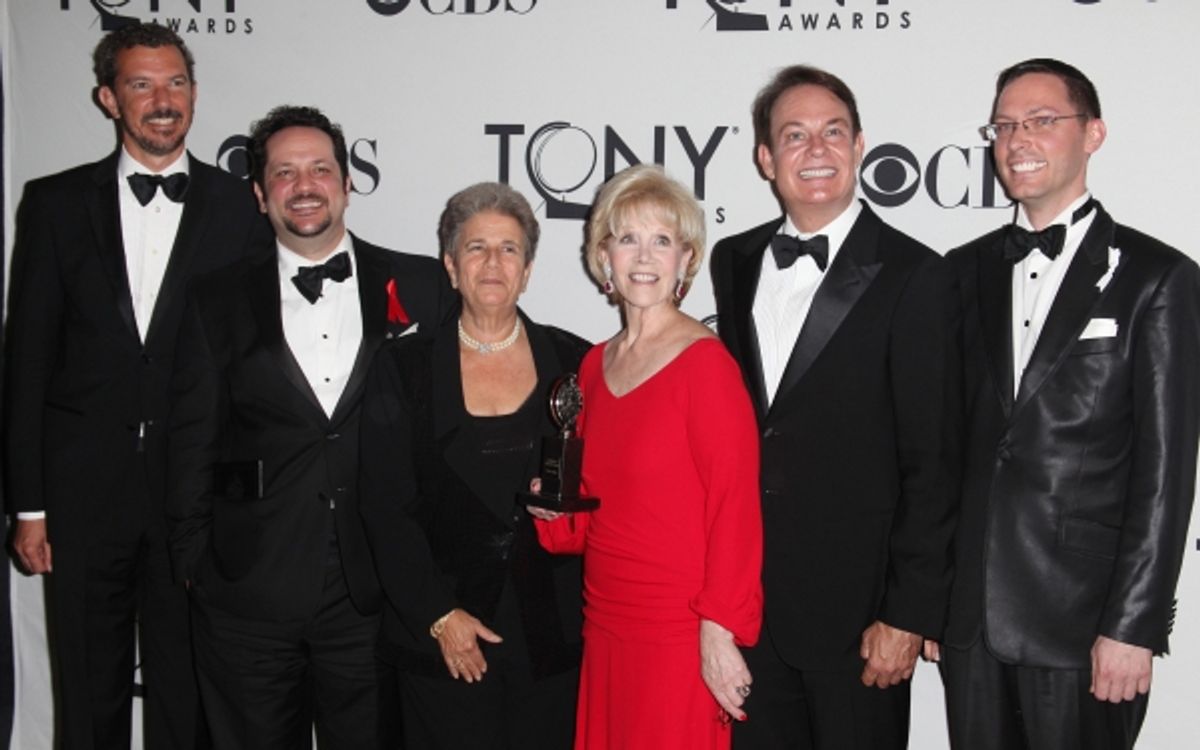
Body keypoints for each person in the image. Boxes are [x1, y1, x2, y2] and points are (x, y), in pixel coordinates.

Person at [3, 22, 267, 749]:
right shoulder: (54, 205)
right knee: (89, 690)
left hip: (195, 497)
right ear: (108, 98)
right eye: (142, 85)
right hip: (83, 493)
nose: (162, 100)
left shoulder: (240, 208)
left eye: (176, 83)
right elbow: (27, 360)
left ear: (194, 93)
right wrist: (28, 506)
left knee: (188, 692)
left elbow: (250, 371)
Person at [934, 58, 1200, 750]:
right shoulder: (961, 273)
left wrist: (1134, 626)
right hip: (970, 621)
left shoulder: (1158, 278)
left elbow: (1166, 471)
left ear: (1095, 134)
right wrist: (932, 599)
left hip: (1084, 624)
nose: (1018, 139)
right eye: (1005, 126)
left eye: (1042, 121)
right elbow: (943, 449)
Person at [165, 105, 452, 748]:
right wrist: (197, 565)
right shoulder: (213, 299)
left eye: (321, 168)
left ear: (348, 184)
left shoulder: (424, 284)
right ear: (260, 193)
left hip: (375, 593)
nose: (305, 184)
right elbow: (191, 444)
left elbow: (452, 431)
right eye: (285, 172)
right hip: (247, 598)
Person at [710, 65, 960, 750]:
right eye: (794, 136)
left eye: (832, 132)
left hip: (861, 622)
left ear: (858, 147)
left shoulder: (917, 274)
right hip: (751, 609)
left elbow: (933, 462)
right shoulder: (732, 261)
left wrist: (905, 614)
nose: (815, 150)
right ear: (765, 158)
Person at [530, 164, 763, 750]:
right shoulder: (592, 366)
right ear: (602, 255)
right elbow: (596, 512)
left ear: (686, 260)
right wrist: (556, 513)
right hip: (606, 621)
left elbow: (735, 507)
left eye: (662, 240)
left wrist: (719, 628)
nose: (643, 256)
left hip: (679, 630)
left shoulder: (706, 366)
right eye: (627, 237)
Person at [358, 182, 589, 749]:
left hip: (549, 636)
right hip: (441, 635)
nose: (493, 262)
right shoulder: (403, 368)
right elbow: (385, 506)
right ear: (451, 266)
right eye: (476, 247)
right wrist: (438, 614)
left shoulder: (576, 362)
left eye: (509, 249)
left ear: (528, 269)